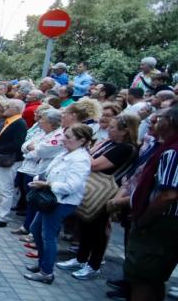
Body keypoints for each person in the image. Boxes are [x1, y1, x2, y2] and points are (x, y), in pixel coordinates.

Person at [99, 106, 178, 301]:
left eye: (161, 118)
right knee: (153, 278)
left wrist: (144, 218)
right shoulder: (164, 147)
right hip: (162, 222)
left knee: (144, 277)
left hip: (160, 223)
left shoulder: (172, 152)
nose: (154, 120)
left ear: (172, 122)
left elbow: (168, 194)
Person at [57, 113, 137, 280]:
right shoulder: (110, 143)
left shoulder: (125, 148)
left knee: (98, 230)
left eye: (113, 127)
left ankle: (93, 265)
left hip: (103, 192)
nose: (108, 129)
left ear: (124, 131)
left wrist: (84, 152)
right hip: (92, 188)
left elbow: (92, 164)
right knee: (86, 226)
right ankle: (80, 259)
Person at [24, 124, 94, 284]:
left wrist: (47, 185)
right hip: (51, 200)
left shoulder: (80, 159)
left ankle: (46, 272)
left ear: (82, 140)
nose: (64, 139)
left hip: (61, 202)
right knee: (35, 229)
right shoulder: (65, 153)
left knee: (48, 236)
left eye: (68, 137)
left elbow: (71, 186)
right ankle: (43, 263)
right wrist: (40, 180)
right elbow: (49, 172)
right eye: (65, 135)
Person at [13, 107, 65, 238]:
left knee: (36, 202)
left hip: (39, 171)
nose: (40, 121)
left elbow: (42, 151)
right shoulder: (41, 132)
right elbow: (25, 145)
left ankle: (33, 231)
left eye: (43, 119)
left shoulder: (58, 135)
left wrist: (32, 150)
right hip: (27, 168)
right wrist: (30, 149)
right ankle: (27, 226)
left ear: (52, 123)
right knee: (29, 199)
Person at [0, 99, 27, 228]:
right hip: (3, 158)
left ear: (16, 109)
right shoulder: (11, 121)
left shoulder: (19, 123)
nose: (5, 108)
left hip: (10, 160)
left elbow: (17, 144)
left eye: (8, 107)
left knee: (6, 189)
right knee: (0, 187)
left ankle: (3, 217)